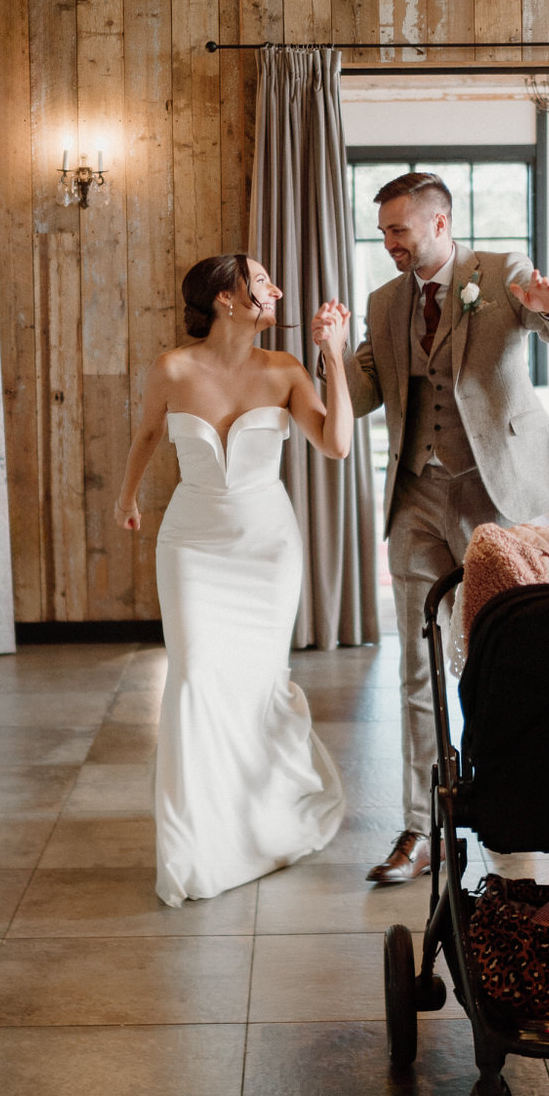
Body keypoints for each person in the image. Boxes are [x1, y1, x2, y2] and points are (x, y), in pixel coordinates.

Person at [320, 170, 549, 886]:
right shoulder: (384, 303)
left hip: (492, 492)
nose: (388, 244)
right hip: (416, 495)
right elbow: (356, 398)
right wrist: (330, 349)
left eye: (398, 231)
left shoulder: (501, 271)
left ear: (439, 224)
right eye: (382, 231)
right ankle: (423, 828)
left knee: (496, 660)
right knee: (416, 666)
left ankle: (507, 816)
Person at [115, 253, 350, 907]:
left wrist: (332, 355)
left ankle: (259, 819)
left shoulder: (286, 369)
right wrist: (127, 497)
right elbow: (145, 436)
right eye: (262, 279)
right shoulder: (172, 369)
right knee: (193, 680)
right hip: (191, 543)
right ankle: (196, 843)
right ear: (225, 296)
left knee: (256, 683)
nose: (275, 287)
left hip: (266, 548)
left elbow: (336, 444)